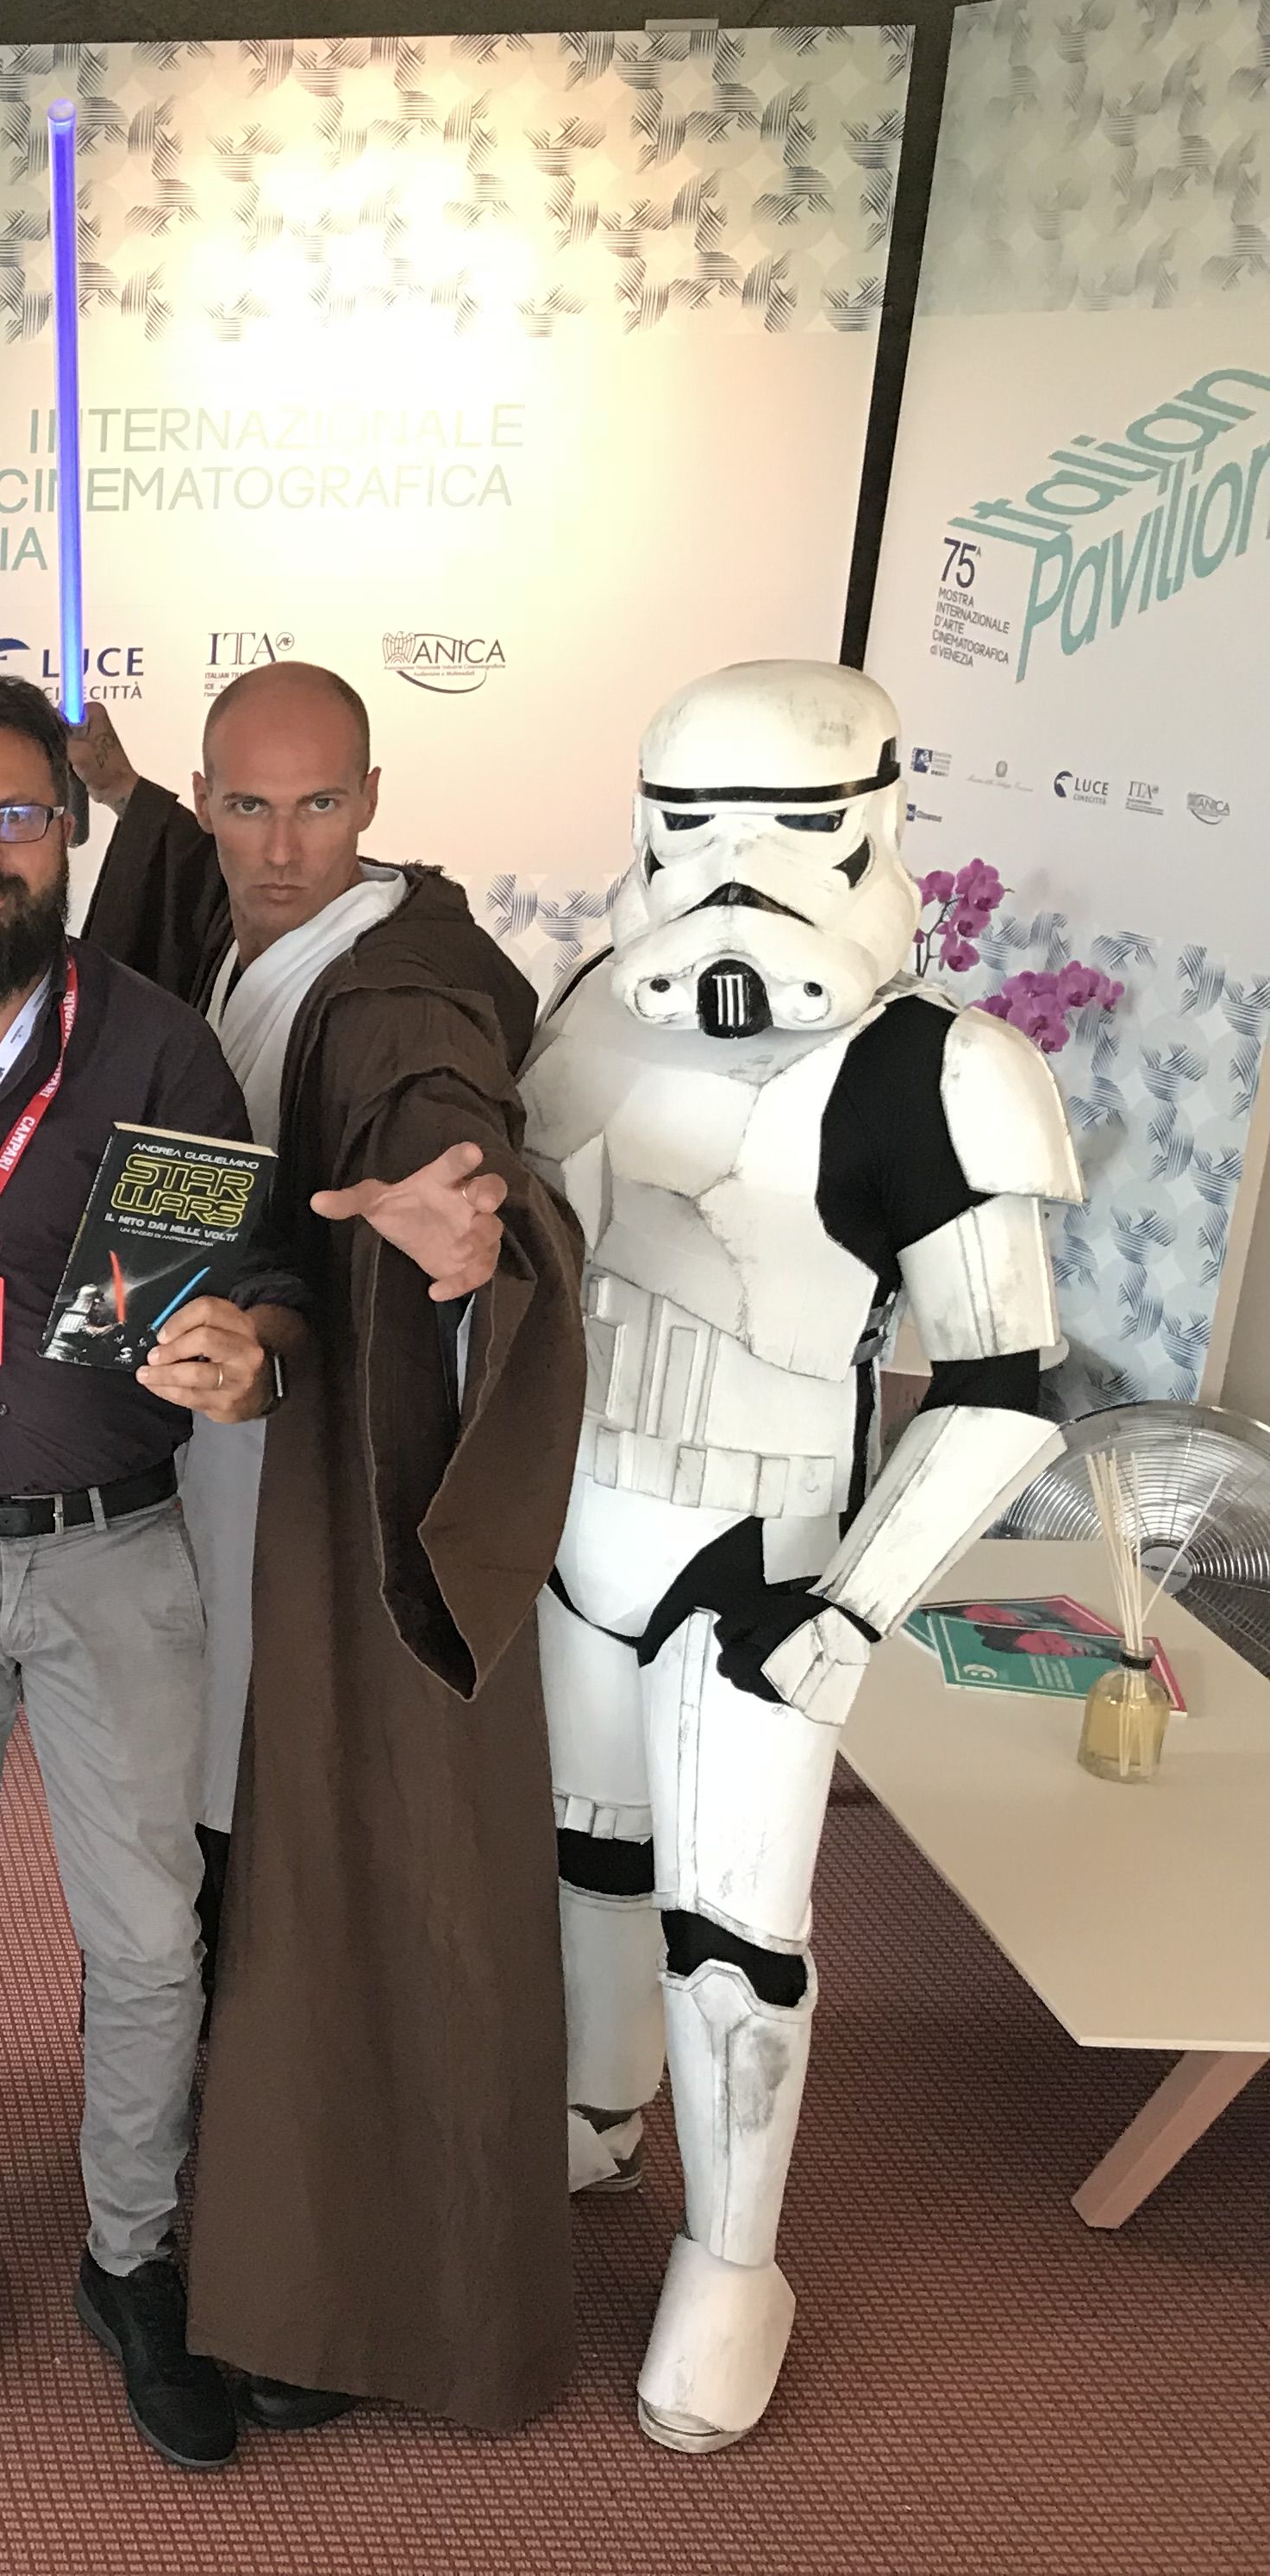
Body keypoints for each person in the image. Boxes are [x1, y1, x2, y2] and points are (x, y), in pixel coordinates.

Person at [521, 661, 1071, 2451]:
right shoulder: (590, 1006)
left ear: (873, 825)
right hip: (578, 1518)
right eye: (693, 829)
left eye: (786, 828)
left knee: (733, 1934)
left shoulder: (943, 1071)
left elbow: (1000, 1384)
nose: (732, 873)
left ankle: (732, 2256)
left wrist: (855, 1609)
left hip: (767, 1554)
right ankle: (591, 2118)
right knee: (583, 1864)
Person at [71, 665, 590, 2433]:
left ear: (373, 798)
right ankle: (208, 2196)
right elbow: (177, 949)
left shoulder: (400, 989)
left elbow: (431, 1105)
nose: (279, 849)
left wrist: (462, 1225)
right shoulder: (230, 923)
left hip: (330, 1502)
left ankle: (332, 2277)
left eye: (316, 807)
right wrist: (127, 802)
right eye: (242, 805)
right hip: (221, 1464)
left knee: (331, 1856)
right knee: (214, 1843)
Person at [0, 671, 297, 2468]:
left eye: (17, 815)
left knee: (148, 1936)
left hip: (113, 1555)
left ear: (68, 832)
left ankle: (131, 2250)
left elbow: (247, 1279)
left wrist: (249, 1350)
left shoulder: (152, 1042)